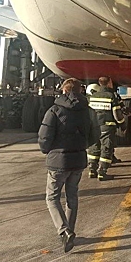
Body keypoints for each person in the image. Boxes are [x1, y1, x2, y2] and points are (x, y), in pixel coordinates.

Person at [38, 78, 99, 252]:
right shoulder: (88, 111)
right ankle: (70, 232)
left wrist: (47, 151)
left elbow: (44, 136)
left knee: (52, 197)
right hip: (78, 160)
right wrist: (82, 146)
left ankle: (64, 231)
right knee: (72, 196)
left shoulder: (55, 110)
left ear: (64, 91)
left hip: (58, 161)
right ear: (80, 91)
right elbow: (96, 134)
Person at [87, 76, 125, 180]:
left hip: (94, 126)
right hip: (107, 126)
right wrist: (122, 124)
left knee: (94, 146)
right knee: (106, 148)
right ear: (109, 83)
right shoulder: (111, 96)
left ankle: (92, 169)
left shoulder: (93, 96)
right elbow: (117, 114)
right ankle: (102, 172)